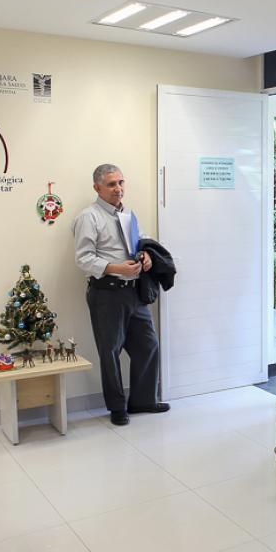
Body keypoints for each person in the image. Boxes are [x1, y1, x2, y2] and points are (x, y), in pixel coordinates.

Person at [71, 163, 169, 426]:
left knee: (148, 345)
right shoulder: (88, 217)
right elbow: (83, 259)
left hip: (133, 294)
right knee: (110, 351)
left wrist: (146, 256)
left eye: (121, 183)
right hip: (107, 294)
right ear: (97, 187)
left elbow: (142, 240)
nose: (118, 189)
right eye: (112, 184)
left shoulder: (128, 215)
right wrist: (115, 267)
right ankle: (116, 408)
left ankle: (142, 400)